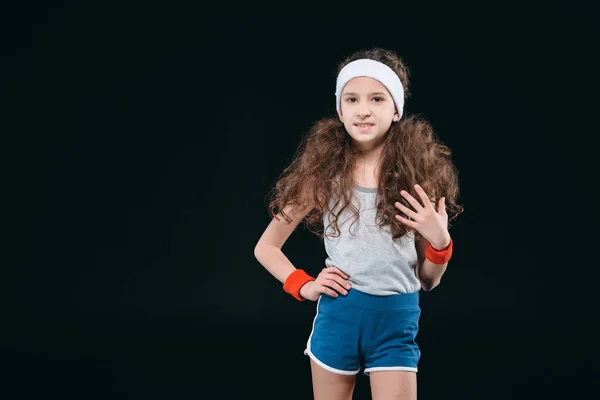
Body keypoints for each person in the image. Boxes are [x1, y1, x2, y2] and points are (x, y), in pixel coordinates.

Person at [254, 48, 464, 400]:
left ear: (396, 110)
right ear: (340, 110)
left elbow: (428, 281)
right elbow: (266, 247)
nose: (363, 109)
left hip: (396, 322)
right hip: (339, 318)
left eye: (377, 98)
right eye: (352, 99)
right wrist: (303, 285)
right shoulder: (323, 175)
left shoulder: (416, 182)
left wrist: (440, 240)